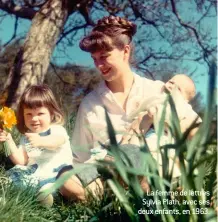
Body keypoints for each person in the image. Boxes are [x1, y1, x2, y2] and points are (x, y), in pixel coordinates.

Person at [59, 15, 166, 201]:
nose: (99, 65)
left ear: (125, 51)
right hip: (104, 175)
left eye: (104, 56)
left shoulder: (156, 91)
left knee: (150, 177)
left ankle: (131, 199)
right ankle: (109, 199)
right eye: (94, 58)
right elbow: (80, 156)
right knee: (65, 181)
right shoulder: (90, 103)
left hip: (148, 170)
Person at [0, 85, 73, 207]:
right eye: (28, 114)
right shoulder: (26, 137)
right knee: (13, 179)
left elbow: (58, 141)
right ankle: (9, 192)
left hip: (56, 172)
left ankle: (48, 197)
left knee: (53, 185)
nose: (34, 118)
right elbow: (21, 161)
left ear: (51, 114)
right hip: (34, 173)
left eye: (40, 113)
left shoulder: (56, 130)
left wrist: (41, 141)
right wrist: (8, 140)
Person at [121, 74, 201, 177]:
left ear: (185, 99)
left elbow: (194, 123)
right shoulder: (158, 97)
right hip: (147, 136)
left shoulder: (184, 106)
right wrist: (140, 107)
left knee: (169, 162)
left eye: (178, 88)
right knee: (134, 144)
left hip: (165, 140)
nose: (171, 86)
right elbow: (144, 106)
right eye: (171, 82)